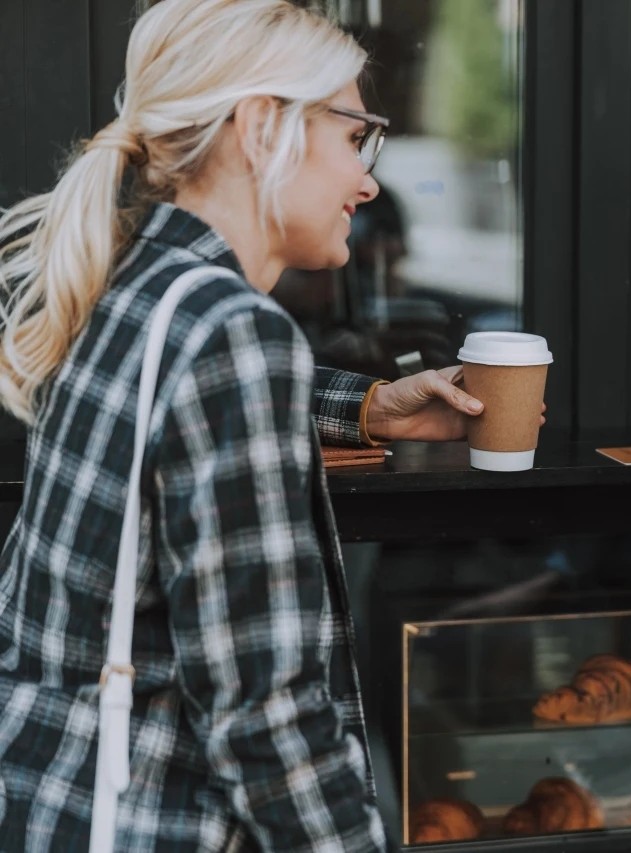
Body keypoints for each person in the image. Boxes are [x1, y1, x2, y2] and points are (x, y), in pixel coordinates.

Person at [0, 0, 530, 848]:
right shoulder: (233, 335)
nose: (368, 181)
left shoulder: (128, 285)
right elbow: (268, 718)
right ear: (258, 127)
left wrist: (363, 405)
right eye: (356, 137)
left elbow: (189, 405)